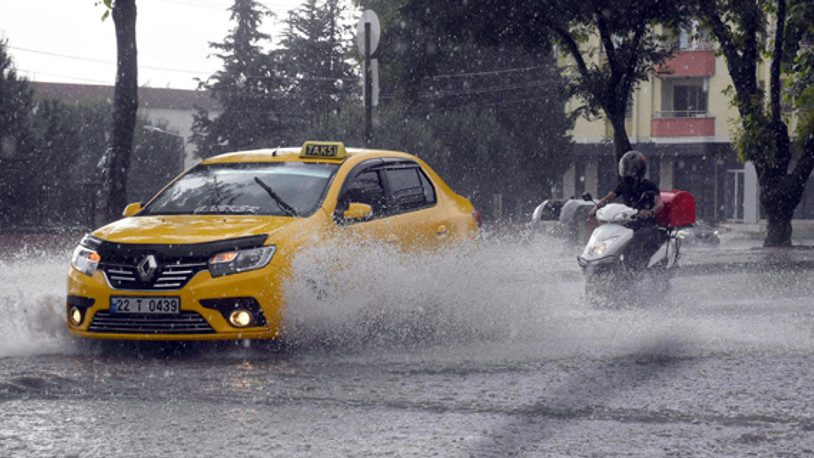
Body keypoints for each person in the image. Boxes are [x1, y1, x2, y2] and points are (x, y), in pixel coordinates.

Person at [588, 150, 665, 269]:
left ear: (638, 169)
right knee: (616, 236)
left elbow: (659, 204)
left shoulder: (649, 185)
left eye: (630, 169)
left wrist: (651, 212)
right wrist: (596, 208)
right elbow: (609, 198)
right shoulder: (624, 184)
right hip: (630, 222)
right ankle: (617, 265)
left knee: (637, 238)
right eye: (625, 168)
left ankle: (637, 268)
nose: (627, 171)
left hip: (647, 224)